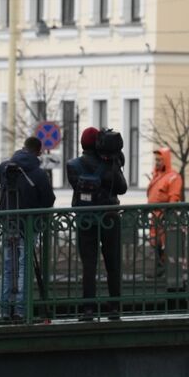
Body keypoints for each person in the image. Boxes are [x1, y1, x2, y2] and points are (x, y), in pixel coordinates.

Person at [0, 136, 56, 323]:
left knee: (7, 267)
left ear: (23, 147)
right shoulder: (38, 173)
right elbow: (49, 200)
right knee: (24, 267)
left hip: (7, 224)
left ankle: (4, 311)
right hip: (28, 227)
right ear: (39, 152)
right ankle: (20, 311)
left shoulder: (6, 167)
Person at [66, 126, 128, 320]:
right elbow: (123, 188)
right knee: (113, 264)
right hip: (109, 217)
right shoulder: (110, 164)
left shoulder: (72, 165)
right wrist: (114, 163)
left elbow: (77, 188)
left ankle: (88, 309)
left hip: (85, 220)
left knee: (89, 266)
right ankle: (114, 308)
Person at [145, 148, 183, 278]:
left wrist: (169, 215)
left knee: (166, 244)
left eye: (160, 160)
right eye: (156, 160)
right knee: (155, 243)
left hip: (164, 216)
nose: (157, 162)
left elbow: (174, 196)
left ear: (166, 160)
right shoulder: (157, 176)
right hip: (155, 216)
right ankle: (159, 269)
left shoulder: (173, 177)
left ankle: (167, 271)